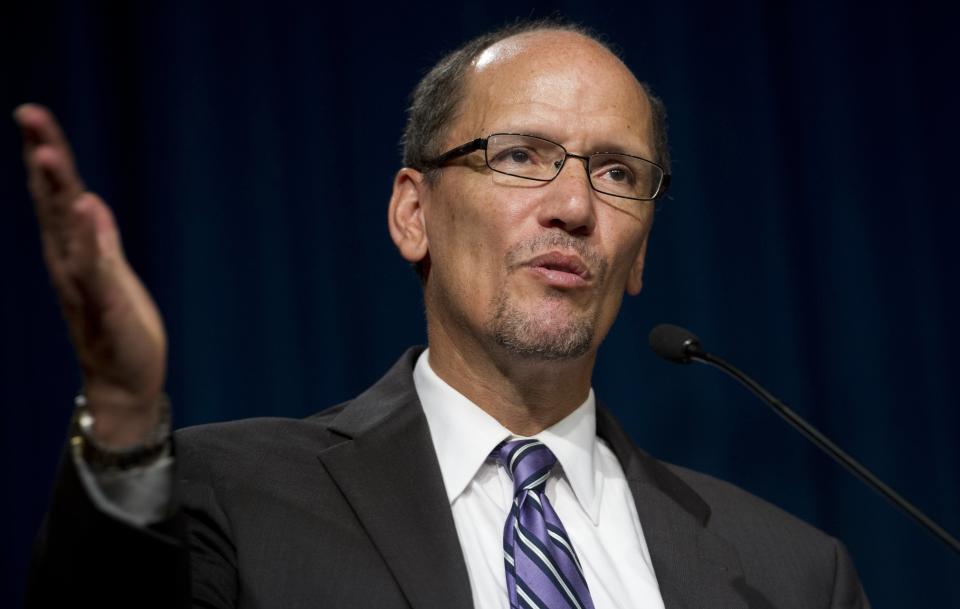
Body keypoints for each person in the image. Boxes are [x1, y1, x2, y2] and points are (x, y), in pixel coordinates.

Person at [19, 20, 870, 609]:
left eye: (617, 173)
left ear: (639, 252)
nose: (573, 204)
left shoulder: (791, 573)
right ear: (412, 214)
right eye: (520, 155)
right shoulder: (233, 494)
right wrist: (124, 408)